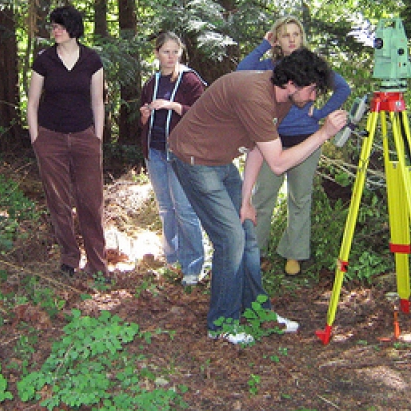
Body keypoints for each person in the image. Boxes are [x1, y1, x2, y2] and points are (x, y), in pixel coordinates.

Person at [168, 48, 348, 344]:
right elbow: (278, 162)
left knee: (247, 232)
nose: (315, 97)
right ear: (292, 83)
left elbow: (256, 148)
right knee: (231, 238)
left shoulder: (281, 100)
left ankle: (257, 313)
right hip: (193, 161)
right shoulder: (256, 95)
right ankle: (222, 324)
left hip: (220, 161)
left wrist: (246, 201)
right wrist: (323, 135)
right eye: (313, 90)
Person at [237, 17, 351, 276]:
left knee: (300, 199)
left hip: (306, 141)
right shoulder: (269, 67)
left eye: (296, 34)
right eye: (285, 34)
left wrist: (320, 113)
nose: (291, 39)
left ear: (301, 37)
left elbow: (342, 88)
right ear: (277, 39)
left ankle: (294, 255)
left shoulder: (312, 66)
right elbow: (240, 73)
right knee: (262, 197)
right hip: (271, 141)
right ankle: (256, 252)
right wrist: (263, 45)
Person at [27, 5, 108, 278]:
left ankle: (97, 263)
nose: (55, 31)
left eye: (60, 26)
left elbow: (98, 102)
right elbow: (32, 102)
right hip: (51, 138)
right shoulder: (44, 60)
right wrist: (37, 139)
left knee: (91, 201)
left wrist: (97, 138)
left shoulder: (92, 61)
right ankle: (69, 259)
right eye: (53, 26)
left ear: (73, 28)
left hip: (85, 137)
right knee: (59, 202)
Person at [140, 31, 207, 285]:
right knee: (166, 208)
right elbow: (144, 116)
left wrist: (173, 106)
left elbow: (203, 113)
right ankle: (172, 260)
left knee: (185, 209)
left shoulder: (190, 80)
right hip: (155, 151)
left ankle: (193, 265)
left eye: (175, 52)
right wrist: (145, 115)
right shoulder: (153, 82)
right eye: (166, 52)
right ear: (157, 53)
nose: (170, 57)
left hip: (180, 153)